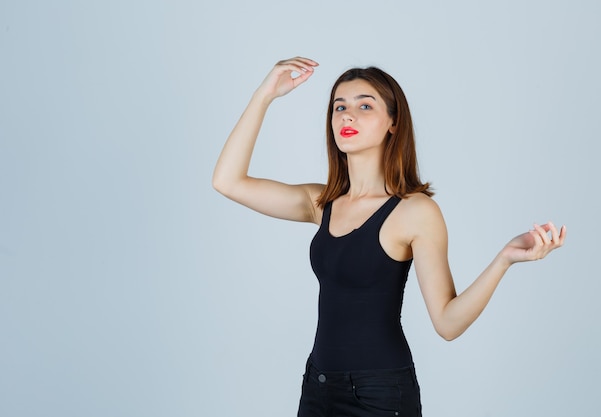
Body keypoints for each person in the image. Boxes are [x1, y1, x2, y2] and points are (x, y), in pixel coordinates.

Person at [212, 56, 566, 416]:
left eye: (365, 106)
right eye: (340, 107)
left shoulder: (415, 212)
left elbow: (447, 322)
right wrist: (264, 96)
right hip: (317, 387)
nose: (347, 116)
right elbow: (227, 182)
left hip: (379, 395)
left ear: (393, 124)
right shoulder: (321, 203)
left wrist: (503, 259)